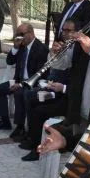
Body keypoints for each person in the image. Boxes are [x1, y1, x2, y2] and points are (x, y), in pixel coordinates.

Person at [19, 19, 75, 161]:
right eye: (64, 30)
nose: (66, 34)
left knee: (39, 111)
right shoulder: (64, 47)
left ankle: (37, 148)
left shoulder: (79, 51)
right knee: (32, 98)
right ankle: (31, 137)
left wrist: (62, 88)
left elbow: (76, 82)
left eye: (70, 31)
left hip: (69, 97)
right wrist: (53, 54)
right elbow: (55, 68)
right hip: (57, 90)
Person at [0, 23, 48, 139]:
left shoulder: (41, 49)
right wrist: (15, 47)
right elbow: (9, 62)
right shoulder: (20, 46)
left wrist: (21, 85)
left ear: (31, 34)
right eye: (17, 35)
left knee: (19, 93)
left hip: (31, 83)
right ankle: (4, 121)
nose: (18, 37)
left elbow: (39, 74)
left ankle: (20, 127)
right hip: (18, 80)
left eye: (21, 34)